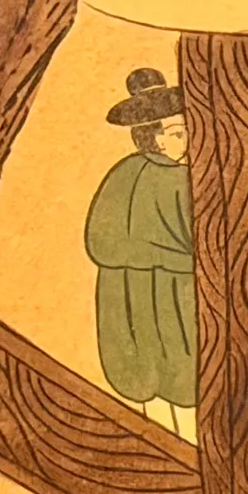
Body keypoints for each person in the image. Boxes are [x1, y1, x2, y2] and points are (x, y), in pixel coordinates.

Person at [85, 69, 197, 441]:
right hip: (155, 295)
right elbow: (100, 241)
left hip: (140, 292)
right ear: (153, 137)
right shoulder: (173, 178)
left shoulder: (124, 172)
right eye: (178, 133)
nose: (187, 141)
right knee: (171, 372)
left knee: (162, 384)